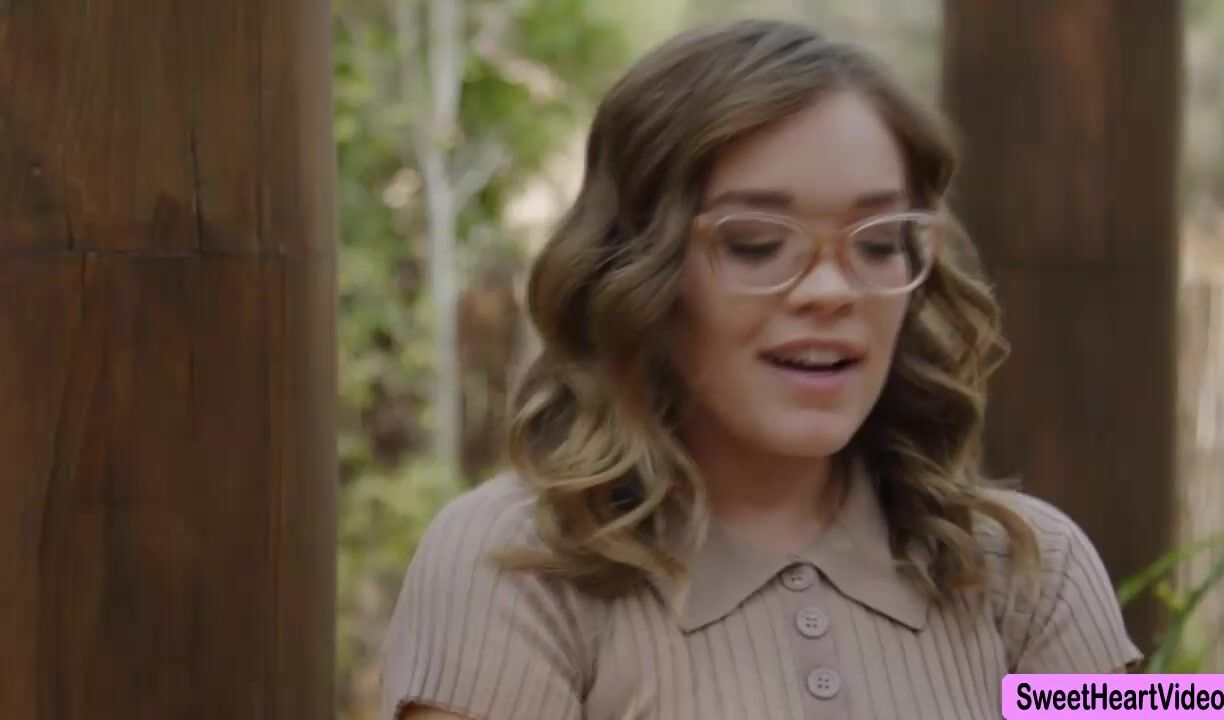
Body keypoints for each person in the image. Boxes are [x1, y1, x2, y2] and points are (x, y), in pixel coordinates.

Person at [380, 18, 1142, 720]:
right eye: (756, 244)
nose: (831, 290)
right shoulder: (512, 566)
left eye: (877, 243)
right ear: (638, 270)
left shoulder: (1035, 568)